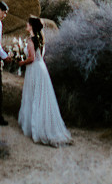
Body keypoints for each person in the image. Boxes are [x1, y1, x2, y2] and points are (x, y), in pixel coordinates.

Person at [16, 16, 71, 146]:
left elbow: (31, 58)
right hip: (42, 69)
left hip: (34, 70)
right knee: (42, 97)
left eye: (28, 23)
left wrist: (21, 62)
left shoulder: (31, 40)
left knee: (34, 96)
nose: (26, 24)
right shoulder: (41, 39)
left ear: (32, 26)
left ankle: (36, 128)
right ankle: (44, 125)